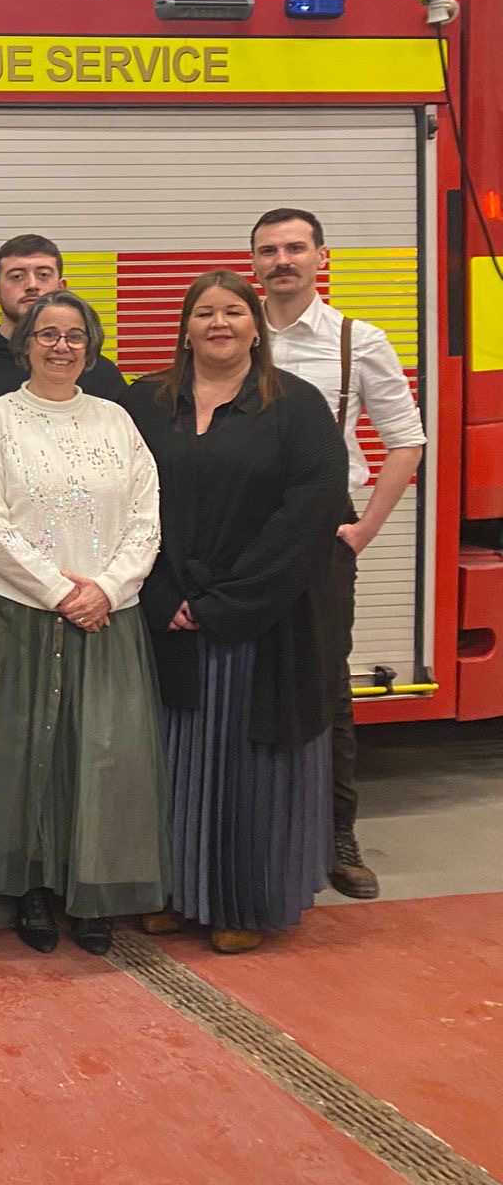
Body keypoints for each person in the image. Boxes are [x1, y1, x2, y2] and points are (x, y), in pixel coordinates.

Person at [0, 290, 169, 958]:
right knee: (17, 751)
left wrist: (109, 589)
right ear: (25, 343)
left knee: (101, 754)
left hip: (105, 617)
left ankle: (90, 887)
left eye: (75, 336)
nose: (62, 346)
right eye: (48, 334)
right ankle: (29, 885)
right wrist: (61, 590)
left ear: (91, 350)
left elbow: (147, 518)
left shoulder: (117, 420)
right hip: (10, 609)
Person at [128, 271, 349, 954]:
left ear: (257, 326)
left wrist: (226, 603)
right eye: (204, 313)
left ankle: (241, 901)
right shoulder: (146, 403)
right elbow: (120, 499)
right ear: (185, 328)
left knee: (248, 767)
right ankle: (173, 890)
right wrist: (164, 596)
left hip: (263, 621)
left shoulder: (297, 407)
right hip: (169, 615)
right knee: (169, 762)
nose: (217, 323)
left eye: (232, 312)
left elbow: (307, 515)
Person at [252, 207, 426, 901]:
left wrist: (364, 530)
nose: (282, 260)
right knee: (237, 675)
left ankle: (337, 835)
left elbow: (405, 438)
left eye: (295, 247)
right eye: (269, 250)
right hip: (241, 533)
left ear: (321, 257)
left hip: (323, 535)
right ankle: (256, 823)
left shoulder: (358, 340)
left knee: (326, 681)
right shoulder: (233, 331)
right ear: (254, 262)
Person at [0, 234, 129, 415]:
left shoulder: (97, 371)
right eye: (17, 276)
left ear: (61, 289)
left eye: (43, 275)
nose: (32, 285)